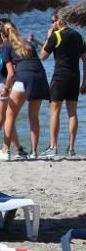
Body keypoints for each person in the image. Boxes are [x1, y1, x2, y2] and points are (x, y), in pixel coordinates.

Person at [0, 23, 45, 160]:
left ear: (3, 35)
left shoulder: (5, 45)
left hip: (23, 78)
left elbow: (10, 73)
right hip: (40, 77)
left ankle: (5, 151)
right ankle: (34, 153)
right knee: (33, 116)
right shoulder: (28, 43)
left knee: (9, 115)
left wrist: (6, 89)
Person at [40, 14, 86, 158]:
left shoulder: (56, 36)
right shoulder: (79, 36)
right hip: (75, 77)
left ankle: (53, 147)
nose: (52, 24)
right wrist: (85, 82)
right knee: (72, 112)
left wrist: (49, 36)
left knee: (55, 111)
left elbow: (43, 56)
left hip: (60, 76)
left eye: (53, 21)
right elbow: (85, 60)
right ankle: (71, 148)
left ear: (60, 21)